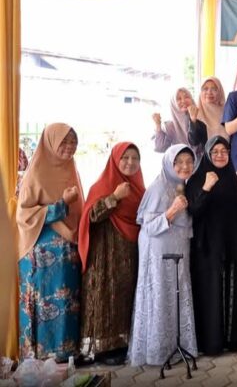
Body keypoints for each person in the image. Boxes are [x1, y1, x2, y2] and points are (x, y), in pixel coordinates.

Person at [17, 123, 84, 361]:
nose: (69, 147)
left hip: (68, 251)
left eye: (73, 142)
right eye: (64, 142)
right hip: (41, 253)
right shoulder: (35, 173)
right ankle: (40, 356)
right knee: (43, 301)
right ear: (51, 143)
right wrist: (60, 206)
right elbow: (24, 214)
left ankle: (66, 352)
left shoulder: (71, 170)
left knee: (67, 301)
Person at [129, 144, 198, 366]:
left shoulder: (182, 185)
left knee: (176, 293)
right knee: (160, 294)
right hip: (158, 249)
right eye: (179, 162)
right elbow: (148, 227)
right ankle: (157, 351)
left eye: (189, 162)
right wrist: (172, 210)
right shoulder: (158, 187)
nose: (185, 166)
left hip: (179, 247)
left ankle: (177, 345)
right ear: (169, 164)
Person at [78, 142, 144, 365]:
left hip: (129, 253)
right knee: (105, 297)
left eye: (135, 158)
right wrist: (114, 197)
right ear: (115, 160)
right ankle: (102, 349)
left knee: (124, 296)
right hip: (105, 255)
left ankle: (121, 344)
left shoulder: (139, 189)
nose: (130, 162)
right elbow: (92, 216)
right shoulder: (102, 186)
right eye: (125, 158)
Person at [186, 136, 237, 355]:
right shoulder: (197, 179)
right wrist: (206, 188)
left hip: (231, 243)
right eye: (216, 151)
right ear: (207, 154)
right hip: (207, 247)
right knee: (211, 292)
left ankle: (232, 339)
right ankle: (212, 343)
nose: (220, 155)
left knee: (232, 288)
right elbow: (193, 210)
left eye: (224, 151)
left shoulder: (231, 177)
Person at [153, 87, 200, 157]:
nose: (183, 101)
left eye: (187, 97)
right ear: (173, 103)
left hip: (200, 162)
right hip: (179, 162)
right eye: (179, 99)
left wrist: (193, 121)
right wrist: (158, 125)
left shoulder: (200, 119)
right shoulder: (170, 126)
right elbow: (160, 148)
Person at [188, 76, 228, 149]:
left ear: (220, 92)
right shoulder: (196, 114)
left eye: (214, 89)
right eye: (205, 89)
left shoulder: (227, 111)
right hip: (207, 155)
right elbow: (194, 142)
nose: (209, 92)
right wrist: (193, 121)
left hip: (227, 153)